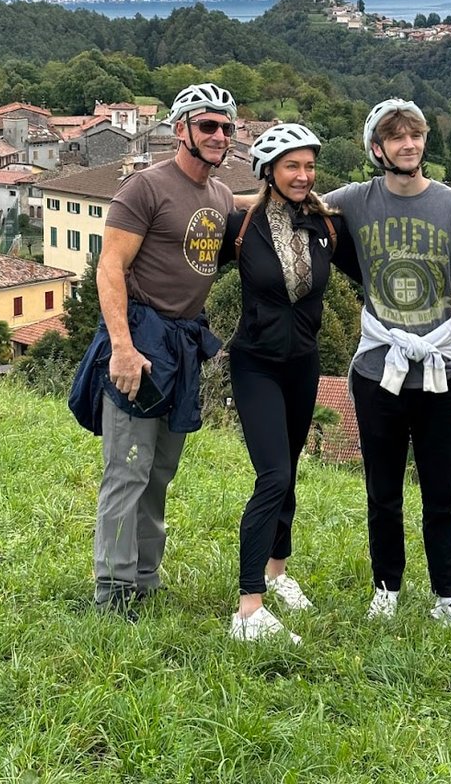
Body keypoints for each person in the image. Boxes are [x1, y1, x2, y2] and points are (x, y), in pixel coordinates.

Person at [324, 98, 451, 630]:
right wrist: (212, 200)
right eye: (396, 136)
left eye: (415, 135)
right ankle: (386, 590)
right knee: (383, 492)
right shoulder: (354, 201)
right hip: (378, 371)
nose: (409, 144)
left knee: (443, 494)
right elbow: (291, 202)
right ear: (377, 148)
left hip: (442, 369)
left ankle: (448, 597)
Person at [90, 81, 238, 618]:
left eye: (226, 127)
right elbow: (110, 267)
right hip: (142, 338)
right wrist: (122, 349)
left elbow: (251, 208)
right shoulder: (145, 188)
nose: (219, 135)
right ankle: (112, 590)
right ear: (181, 130)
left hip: (184, 344)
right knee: (128, 469)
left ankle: (145, 579)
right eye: (208, 125)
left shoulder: (220, 196)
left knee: (159, 471)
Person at [221, 123, 357, 643]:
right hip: (254, 363)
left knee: (290, 470)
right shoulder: (242, 226)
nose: (303, 175)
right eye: (292, 166)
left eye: (309, 166)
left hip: (303, 363)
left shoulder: (325, 225)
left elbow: (370, 272)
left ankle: (278, 571)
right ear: (268, 172)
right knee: (273, 475)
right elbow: (191, 270)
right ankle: (248, 609)